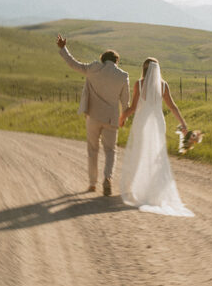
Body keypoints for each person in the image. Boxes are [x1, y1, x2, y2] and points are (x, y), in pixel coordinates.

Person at [117, 58, 194, 217]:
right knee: (156, 157)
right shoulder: (164, 85)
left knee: (140, 153)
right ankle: (154, 190)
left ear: (144, 69)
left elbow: (133, 107)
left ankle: (138, 188)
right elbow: (172, 106)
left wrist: (122, 118)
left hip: (143, 122)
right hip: (158, 122)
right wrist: (183, 125)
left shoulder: (139, 84)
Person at [57, 34, 131, 196]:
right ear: (116, 61)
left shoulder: (93, 68)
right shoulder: (123, 76)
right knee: (111, 150)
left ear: (103, 59)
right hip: (111, 118)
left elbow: (73, 64)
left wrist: (63, 48)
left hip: (93, 116)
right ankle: (108, 178)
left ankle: (92, 183)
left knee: (92, 149)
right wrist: (124, 117)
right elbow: (126, 102)